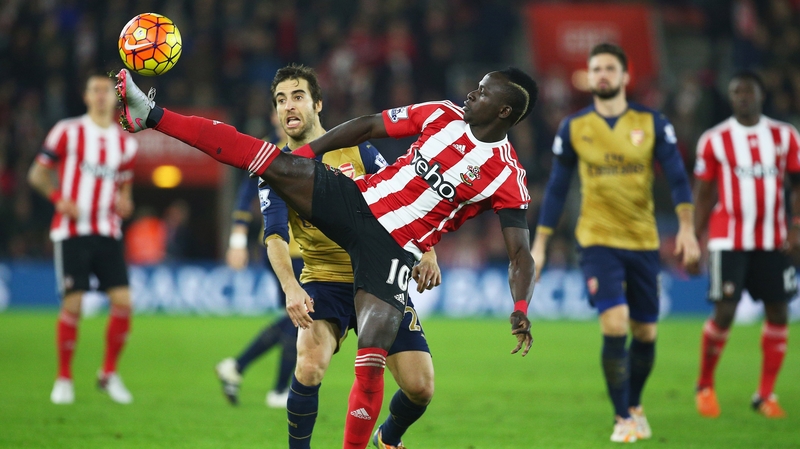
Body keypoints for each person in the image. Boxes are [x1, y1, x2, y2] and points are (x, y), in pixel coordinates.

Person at [115, 64, 536, 449]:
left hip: (392, 252)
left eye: (483, 92)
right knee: (263, 159)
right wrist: (306, 156)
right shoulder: (441, 114)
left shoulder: (507, 176)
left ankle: (383, 439)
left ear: (504, 111)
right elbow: (369, 125)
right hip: (356, 205)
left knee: (394, 374)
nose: (471, 94)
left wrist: (519, 307)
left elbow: (520, 254)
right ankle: (150, 115)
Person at [530, 43, 700, 443]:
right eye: (595, 69)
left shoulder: (652, 123)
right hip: (596, 241)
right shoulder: (574, 127)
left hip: (642, 240)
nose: (601, 74)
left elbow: (678, 177)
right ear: (589, 78)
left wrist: (687, 229)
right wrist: (539, 245)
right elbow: (556, 189)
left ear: (625, 76)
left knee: (645, 333)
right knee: (615, 322)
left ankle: (635, 405)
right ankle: (622, 416)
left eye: (609, 68)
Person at [691, 70, 798, 419]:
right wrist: (693, 238)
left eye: (748, 91)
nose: (742, 97)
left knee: (778, 311)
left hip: (773, 238)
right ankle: (705, 385)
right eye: (736, 92)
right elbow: (704, 194)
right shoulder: (714, 140)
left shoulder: (785, 136)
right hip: (728, 239)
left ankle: (765, 395)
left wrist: (797, 226)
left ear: (761, 95)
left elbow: (797, 185)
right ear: (730, 97)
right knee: (725, 311)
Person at [28, 73, 138, 405]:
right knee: (73, 303)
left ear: (115, 98)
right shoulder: (67, 131)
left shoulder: (126, 143)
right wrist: (58, 199)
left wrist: (126, 202)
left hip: (107, 231)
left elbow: (125, 187)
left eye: (106, 90)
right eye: (95, 90)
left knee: (124, 302)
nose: (101, 95)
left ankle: (108, 373)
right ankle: (64, 377)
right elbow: (37, 173)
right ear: (86, 96)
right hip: (72, 231)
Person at [216, 112, 300, 409]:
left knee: (298, 317)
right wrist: (237, 243)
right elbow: (244, 197)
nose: (286, 114)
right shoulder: (264, 150)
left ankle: (237, 367)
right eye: (280, 107)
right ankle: (278, 390)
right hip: (282, 248)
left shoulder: (315, 144)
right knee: (302, 316)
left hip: (309, 248)